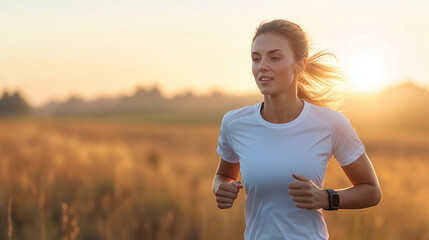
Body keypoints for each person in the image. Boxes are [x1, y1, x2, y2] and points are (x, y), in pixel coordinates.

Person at [211, 19, 381, 240]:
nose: (262, 66)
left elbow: (371, 191)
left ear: (299, 65)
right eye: (256, 58)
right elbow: (223, 175)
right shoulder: (235, 123)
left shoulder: (331, 123)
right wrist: (220, 188)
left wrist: (326, 198)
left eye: (275, 57)